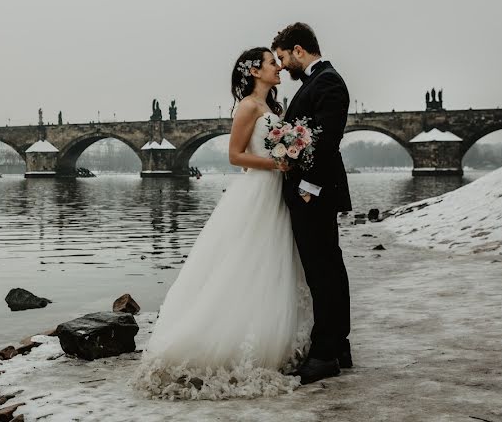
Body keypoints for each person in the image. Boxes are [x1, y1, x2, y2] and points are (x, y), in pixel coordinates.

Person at [132, 47, 312, 400]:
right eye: (272, 63)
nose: (278, 67)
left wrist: (288, 153)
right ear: (255, 72)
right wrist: (277, 163)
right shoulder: (246, 106)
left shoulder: (274, 108)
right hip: (259, 190)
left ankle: (274, 337)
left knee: (273, 264)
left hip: (276, 192)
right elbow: (235, 156)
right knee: (247, 261)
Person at [273, 22, 352, 384]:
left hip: (313, 195)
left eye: (283, 57)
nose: (283, 64)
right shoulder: (315, 82)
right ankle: (337, 346)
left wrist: (308, 186)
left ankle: (325, 354)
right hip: (312, 194)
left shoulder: (328, 82)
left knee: (323, 273)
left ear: (299, 50)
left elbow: (326, 140)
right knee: (327, 269)